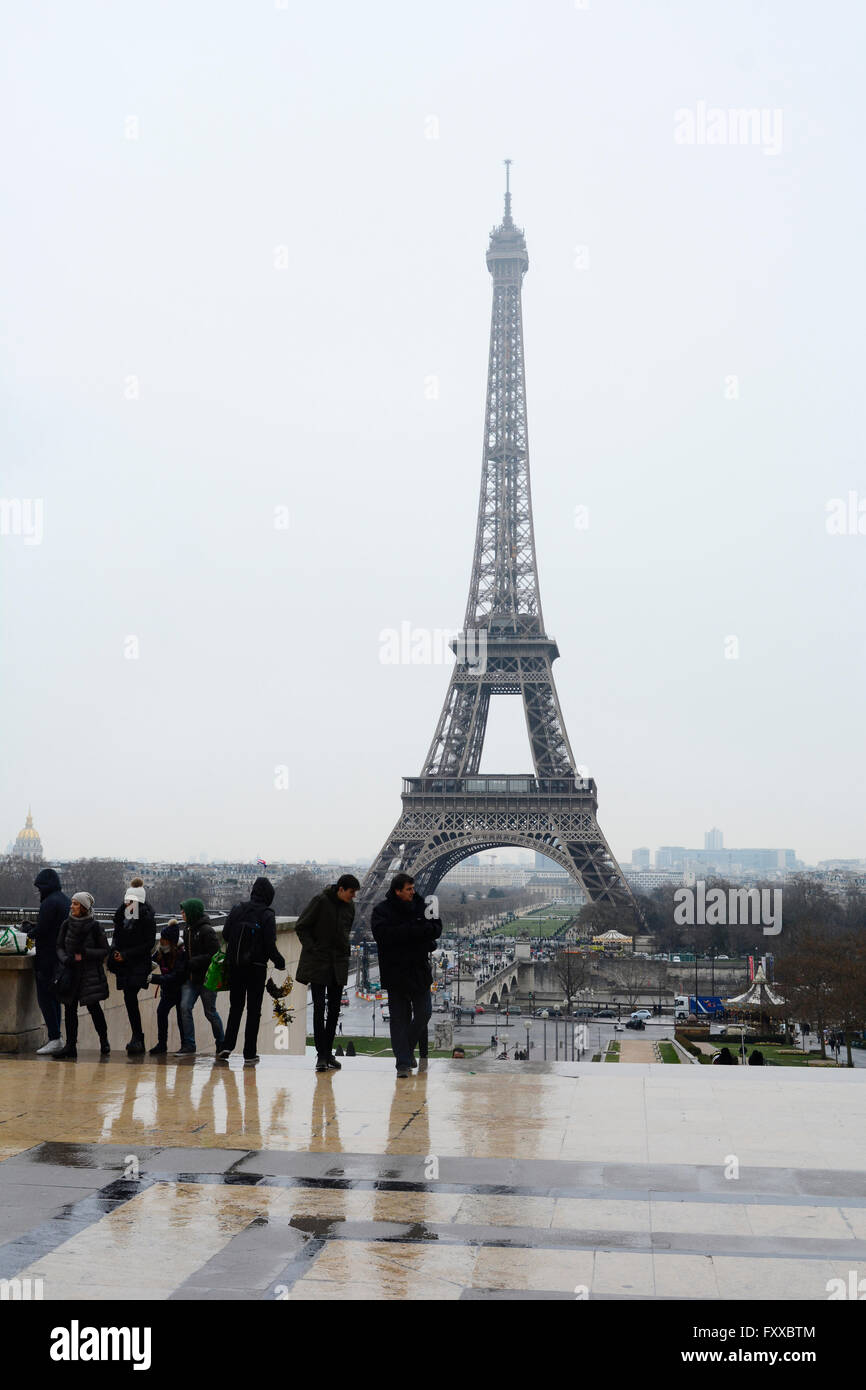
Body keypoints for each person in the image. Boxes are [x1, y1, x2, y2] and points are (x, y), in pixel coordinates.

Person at [371, 872, 442, 1079]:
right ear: (398, 891)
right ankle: (402, 1063)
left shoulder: (422, 905)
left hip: (417, 969)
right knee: (399, 1019)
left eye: (413, 888)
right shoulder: (382, 910)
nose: (413, 892)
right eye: (409, 889)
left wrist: (412, 933)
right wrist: (416, 931)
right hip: (396, 971)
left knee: (425, 1012)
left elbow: (436, 928)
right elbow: (383, 936)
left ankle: (405, 1051)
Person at [294, 874, 360, 1072]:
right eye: (351, 892)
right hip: (319, 962)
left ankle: (327, 1053)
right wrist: (313, 949)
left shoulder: (349, 907)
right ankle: (321, 1054)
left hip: (337, 964)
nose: (353, 896)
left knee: (333, 1011)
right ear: (340, 889)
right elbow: (301, 926)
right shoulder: (320, 901)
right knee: (319, 1008)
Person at [218, 877, 286, 1064]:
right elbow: (270, 944)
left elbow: (225, 934)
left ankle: (227, 1046)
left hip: (236, 965)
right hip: (256, 968)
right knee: (253, 1011)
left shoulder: (237, 909)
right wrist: (279, 962)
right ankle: (249, 1053)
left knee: (236, 1008)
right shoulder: (267, 915)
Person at [53, 892, 110, 1060]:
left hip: (89, 974)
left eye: (76, 904)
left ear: (84, 908)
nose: (72, 906)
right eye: (72, 903)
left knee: (94, 1008)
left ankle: (104, 1040)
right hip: (71, 972)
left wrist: (85, 954)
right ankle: (70, 1046)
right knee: (70, 1010)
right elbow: (59, 946)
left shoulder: (95, 926)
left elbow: (105, 951)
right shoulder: (66, 924)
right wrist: (66, 959)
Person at [109, 878, 157, 1055]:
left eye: (130, 902)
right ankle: (137, 1037)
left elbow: (149, 943)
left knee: (130, 996)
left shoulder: (144, 918)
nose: (127, 904)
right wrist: (116, 952)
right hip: (127, 963)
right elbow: (118, 937)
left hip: (136, 963)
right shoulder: (126, 914)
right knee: (129, 998)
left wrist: (125, 954)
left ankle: (138, 1036)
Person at [177, 898, 224, 1055]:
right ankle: (189, 1044)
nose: (181, 914)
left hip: (206, 979)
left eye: (184, 911)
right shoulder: (187, 930)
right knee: (185, 1007)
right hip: (191, 978)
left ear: (191, 912)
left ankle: (222, 1043)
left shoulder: (206, 931)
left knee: (210, 1012)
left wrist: (194, 962)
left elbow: (215, 954)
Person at [32, 868, 70, 1054]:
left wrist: (29, 932)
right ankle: (57, 1037)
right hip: (59, 958)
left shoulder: (49, 903)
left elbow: (43, 929)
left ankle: (54, 1037)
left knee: (45, 998)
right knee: (55, 999)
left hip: (47, 958)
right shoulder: (64, 900)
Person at [148, 921, 188, 1055]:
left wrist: (154, 978)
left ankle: (185, 1044)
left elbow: (175, 976)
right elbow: (151, 962)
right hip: (168, 990)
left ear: (171, 942)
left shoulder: (181, 954)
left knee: (181, 1017)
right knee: (161, 1012)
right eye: (161, 940)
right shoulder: (160, 951)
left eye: (164, 941)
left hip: (180, 990)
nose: (162, 943)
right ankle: (162, 1044)